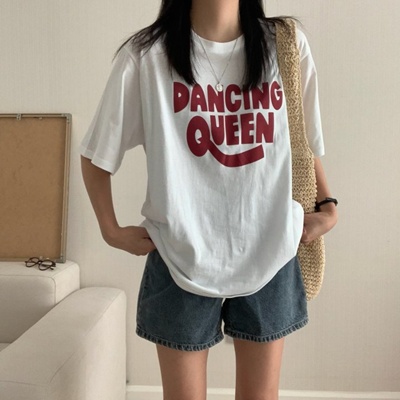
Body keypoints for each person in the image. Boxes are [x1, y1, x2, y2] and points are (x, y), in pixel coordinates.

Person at [80, 0, 338, 399]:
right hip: (181, 255)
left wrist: (328, 204)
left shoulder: (285, 45)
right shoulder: (146, 57)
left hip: (271, 252)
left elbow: (302, 141)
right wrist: (110, 230)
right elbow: (97, 154)